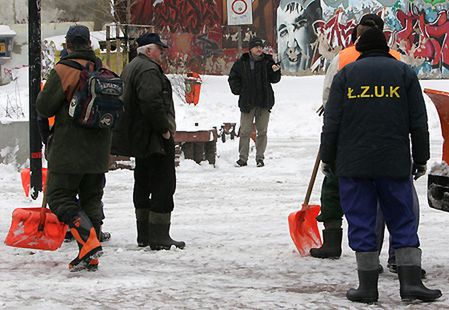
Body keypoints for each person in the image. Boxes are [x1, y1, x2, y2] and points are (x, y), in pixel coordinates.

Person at [320, 27, 441, 303]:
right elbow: (418, 123)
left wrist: (328, 157)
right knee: (402, 218)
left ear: (359, 49)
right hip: (394, 163)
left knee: (362, 221)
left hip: (354, 165)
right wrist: (420, 159)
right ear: (386, 48)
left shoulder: (346, 76)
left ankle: (367, 287)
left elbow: (332, 123)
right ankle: (410, 283)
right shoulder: (404, 74)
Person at [311, 14, 402, 263]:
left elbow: (329, 98)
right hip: (389, 139)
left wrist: (329, 130)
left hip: (347, 136)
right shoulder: (396, 59)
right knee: (393, 197)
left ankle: (332, 241)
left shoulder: (343, 57)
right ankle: (398, 257)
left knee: (333, 185)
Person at [36, 25, 109, 271]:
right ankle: (90, 253)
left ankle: (88, 242)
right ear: (89, 44)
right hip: (98, 151)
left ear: (68, 45)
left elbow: (44, 107)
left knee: (59, 196)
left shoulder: (63, 70)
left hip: (69, 150)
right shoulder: (101, 69)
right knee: (91, 198)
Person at [111, 32, 185, 250]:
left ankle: (144, 234)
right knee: (163, 183)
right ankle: (159, 236)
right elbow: (151, 102)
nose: (162, 53)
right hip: (152, 137)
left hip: (139, 137)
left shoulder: (133, 66)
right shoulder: (148, 70)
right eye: (159, 49)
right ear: (149, 50)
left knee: (143, 182)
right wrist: (164, 129)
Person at [228, 37, 281, 167]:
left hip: (264, 101)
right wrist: (240, 90)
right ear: (250, 49)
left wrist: (276, 71)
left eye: (260, 47)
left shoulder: (268, 61)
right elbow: (233, 78)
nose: (259, 49)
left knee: (262, 131)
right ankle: (243, 158)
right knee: (245, 131)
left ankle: (260, 158)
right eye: (256, 47)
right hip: (248, 102)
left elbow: (274, 79)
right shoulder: (242, 62)